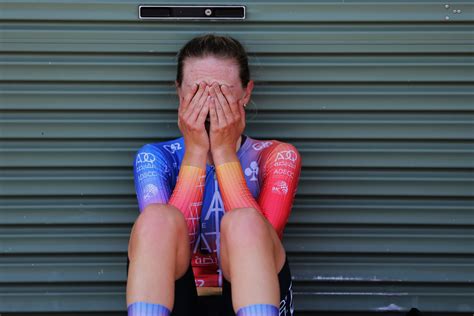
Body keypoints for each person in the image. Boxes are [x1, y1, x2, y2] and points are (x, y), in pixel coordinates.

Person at [126, 34, 302, 316]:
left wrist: (223, 152)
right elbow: (170, 244)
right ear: (179, 93)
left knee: (247, 224)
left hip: (252, 291)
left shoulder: (277, 155)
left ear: (246, 93)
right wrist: (195, 151)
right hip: (177, 296)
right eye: (196, 91)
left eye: (221, 92)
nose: (208, 104)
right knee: (158, 220)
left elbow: (264, 240)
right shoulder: (154, 157)